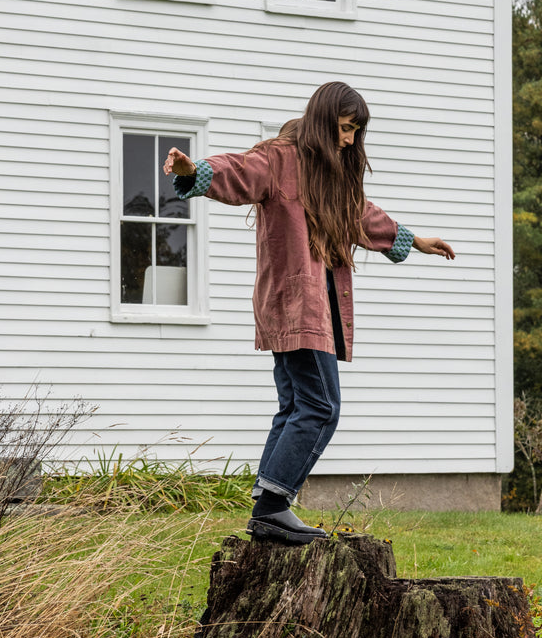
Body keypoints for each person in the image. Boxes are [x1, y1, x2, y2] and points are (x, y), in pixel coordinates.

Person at [163, 81, 454, 546]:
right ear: (322, 122)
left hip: (312, 306)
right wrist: (195, 171)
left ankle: (267, 508)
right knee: (321, 407)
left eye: (357, 132)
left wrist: (412, 240)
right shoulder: (280, 159)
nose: (351, 140)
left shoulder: (329, 174)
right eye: (344, 129)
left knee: (296, 406)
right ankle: (275, 506)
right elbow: (238, 171)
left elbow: (360, 213)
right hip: (296, 305)